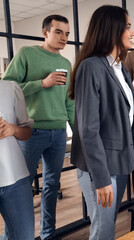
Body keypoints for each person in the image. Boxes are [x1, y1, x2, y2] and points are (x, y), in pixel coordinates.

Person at [68, 5, 134, 240]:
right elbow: (88, 129)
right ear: (112, 29)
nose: (132, 32)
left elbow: (119, 108)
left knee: (108, 225)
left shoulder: (119, 67)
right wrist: (101, 177)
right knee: (104, 230)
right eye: (128, 26)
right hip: (101, 167)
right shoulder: (91, 67)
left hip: (119, 162)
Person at [2, 14, 74, 240]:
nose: (64, 38)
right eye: (58, 32)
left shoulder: (65, 63)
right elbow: (8, 90)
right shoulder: (27, 54)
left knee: (52, 185)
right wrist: (42, 83)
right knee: (21, 190)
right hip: (31, 133)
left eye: (67, 34)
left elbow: (68, 101)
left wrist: (77, 130)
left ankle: (47, 234)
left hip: (59, 132)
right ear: (45, 32)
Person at [0, 81, 34, 240]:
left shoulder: (10, 88)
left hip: (15, 178)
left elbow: (26, 133)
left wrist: (13, 129)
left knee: (24, 236)